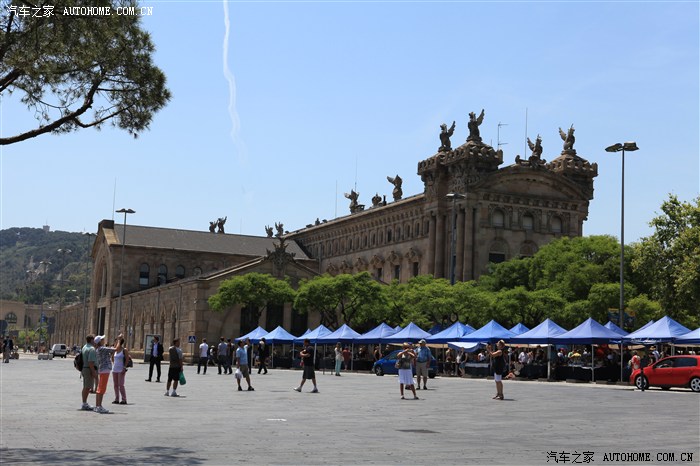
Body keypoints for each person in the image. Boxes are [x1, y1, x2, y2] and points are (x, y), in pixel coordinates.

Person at [94, 334, 119, 413]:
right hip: (105, 370)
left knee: (99, 389)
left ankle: (97, 406)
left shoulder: (99, 349)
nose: (103, 340)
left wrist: (116, 342)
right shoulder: (102, 348)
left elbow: (112, 350)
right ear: (100, 342)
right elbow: (116, 349)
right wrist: (119, 340)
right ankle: (99, 406)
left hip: (102, 369)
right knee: (102, 389)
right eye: (102, 339)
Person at [80, 335, 98, 411]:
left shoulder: (84, 347)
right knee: (87, 387)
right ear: (91, 340)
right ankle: (84, 404)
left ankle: (84, 402)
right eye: (94, 340)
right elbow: (90, 362)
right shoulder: (91, 349)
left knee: (85, 386)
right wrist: (93, 372)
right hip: (88, 369)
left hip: (84, 368)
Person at [111, 337, 130, 405]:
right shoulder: (115, 350)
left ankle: (124, 399)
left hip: (121, 369)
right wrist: (114, 364)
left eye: (116, 342)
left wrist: (124, 367)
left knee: (121, 385)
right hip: (115, 369)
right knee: (115, 385)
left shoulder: (124, 350)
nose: (115, 343)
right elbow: (112, 358)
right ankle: (117, 399)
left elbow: (127, 359)